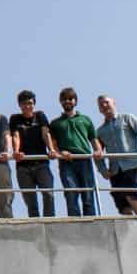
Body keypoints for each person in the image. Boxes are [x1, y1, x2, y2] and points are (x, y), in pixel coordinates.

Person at [95, 95, 137, 216]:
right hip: (115, 170)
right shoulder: (100, 131)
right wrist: (103, 170)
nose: (104, 105)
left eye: (106, 102)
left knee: (130, 192)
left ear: (114, 103)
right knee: (121, 201)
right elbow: (97, 153)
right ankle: (130, 226)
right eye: (101, 104)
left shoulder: (127, 118)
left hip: (132, 165)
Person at [50, 87, 102, 217]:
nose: (67, 101)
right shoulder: (56, 123)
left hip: (84, 158)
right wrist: (61, 153)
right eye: (64, 99)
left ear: (75, 101)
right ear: (61, 102)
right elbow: (53, 144)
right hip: (66, 161)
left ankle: (91, 221)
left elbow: (93, 139)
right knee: (71, 192)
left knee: (88, 193)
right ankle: (74, 221)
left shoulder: (85, 119)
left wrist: (98, 150)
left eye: (70, 98)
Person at [9, 90, 58, 218]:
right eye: (24, 103)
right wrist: (16, 151)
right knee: (30, 200)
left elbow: (45, 133)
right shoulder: (15, 119)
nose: (27, 106)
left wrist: (51, 149)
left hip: (41, 163)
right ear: (20, 105)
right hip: (23, 166)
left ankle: (49, 220)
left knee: (48, 194)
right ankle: (35, 222)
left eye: (30, 103)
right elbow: (15, 135)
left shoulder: (40, 116)